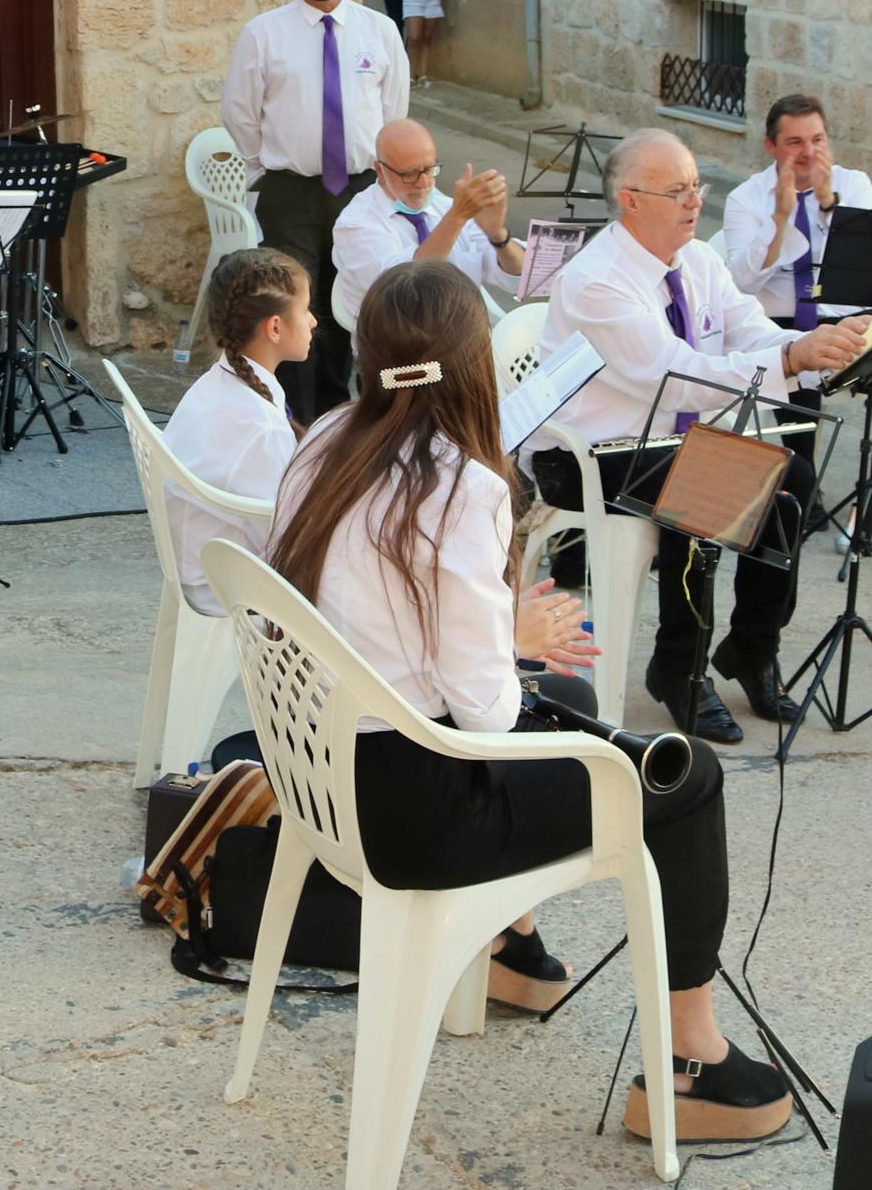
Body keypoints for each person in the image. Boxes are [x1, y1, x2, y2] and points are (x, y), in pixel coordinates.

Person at [267, 259, 791, 1142]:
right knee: (684, 777)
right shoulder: (462, 486)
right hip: (419, 811)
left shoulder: (323, 440)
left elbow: (376, 613)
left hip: (323, 776)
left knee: (574, 689)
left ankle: (508, 946)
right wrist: (513, 641)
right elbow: (485, 716)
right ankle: (693, 1059)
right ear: (474, 364)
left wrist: (513, 641)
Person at [532, 132, 866, 744]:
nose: (693, 201)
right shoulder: (596, 281)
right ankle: (677, 668)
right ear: (630, 200)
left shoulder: (698, 260)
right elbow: (675, 377)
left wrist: (827, 347)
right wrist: (791, 360)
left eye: (696, 187)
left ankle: (751, 649)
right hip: (587, 455)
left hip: (666, 444)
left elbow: (752, 332)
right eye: (677, 190)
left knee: (793, 479)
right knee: (701, 490)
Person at [717, 93, 872, 544]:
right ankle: (803, 497)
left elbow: (871, 260)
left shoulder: (854, 183)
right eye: (794, 143)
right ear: (771, 147)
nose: (808, 152)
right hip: (783, 322)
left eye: (817, 139)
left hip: (849, 317)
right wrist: (780, 220)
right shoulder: (745, 198)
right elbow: (741, 282)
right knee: (796, 367)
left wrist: (831, 205)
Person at [221, 0, 411, 419]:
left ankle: (343, 409)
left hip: (361, 187)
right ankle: (296, 415)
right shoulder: (264, 33)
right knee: (293, 301)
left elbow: (395, 111)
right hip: (292, 191)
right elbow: (239, 110)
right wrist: (266, 164)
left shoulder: (380, 31)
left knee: (353, 296)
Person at [161, 247, 310, 615]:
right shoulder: (259, 426)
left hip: (203, 568)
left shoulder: (219, 384)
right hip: (224, 588)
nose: (313, 322)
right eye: (305, 310)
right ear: (275, 327)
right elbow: (283, 540)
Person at [329, 117, 520, 359]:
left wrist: (498, 235)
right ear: (380, 169)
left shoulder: (445, 207)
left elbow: (517, 278)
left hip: (465, 347)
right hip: (396, 356)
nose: (423, 183)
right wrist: (457, 216)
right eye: (409, 174)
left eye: (429, 169)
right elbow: (402, 291)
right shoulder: (356, 223)